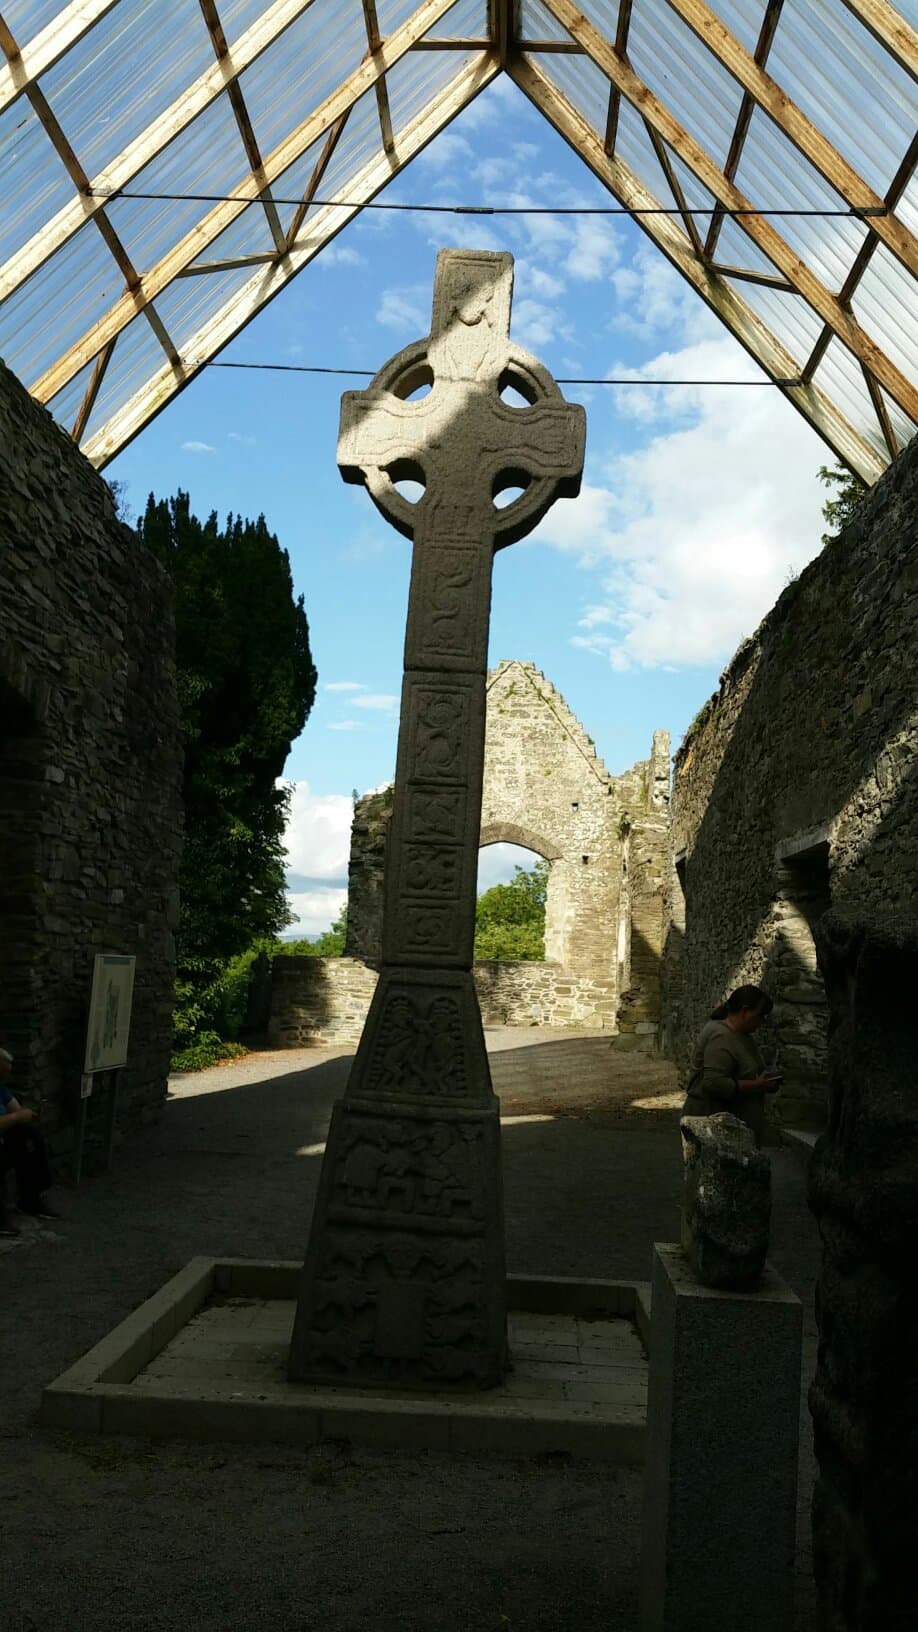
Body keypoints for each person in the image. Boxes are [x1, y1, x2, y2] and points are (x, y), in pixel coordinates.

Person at [681, 985, 782, 1146]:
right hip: (713, 1128)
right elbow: (714, 1083)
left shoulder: (743, 1036)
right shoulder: (720, 1036)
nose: (762, 1022)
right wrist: (757, 1085)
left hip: (731, 1130)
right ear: (745, 1011)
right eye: (760, 1015)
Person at [0, 1046, 58, 1234]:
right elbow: (15, 1116)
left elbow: (16, 1110)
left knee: (30, 1138)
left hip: (5, 1136)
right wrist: (17, 1117)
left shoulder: (1, 1089)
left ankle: (31, 1198)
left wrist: (28, 1114)